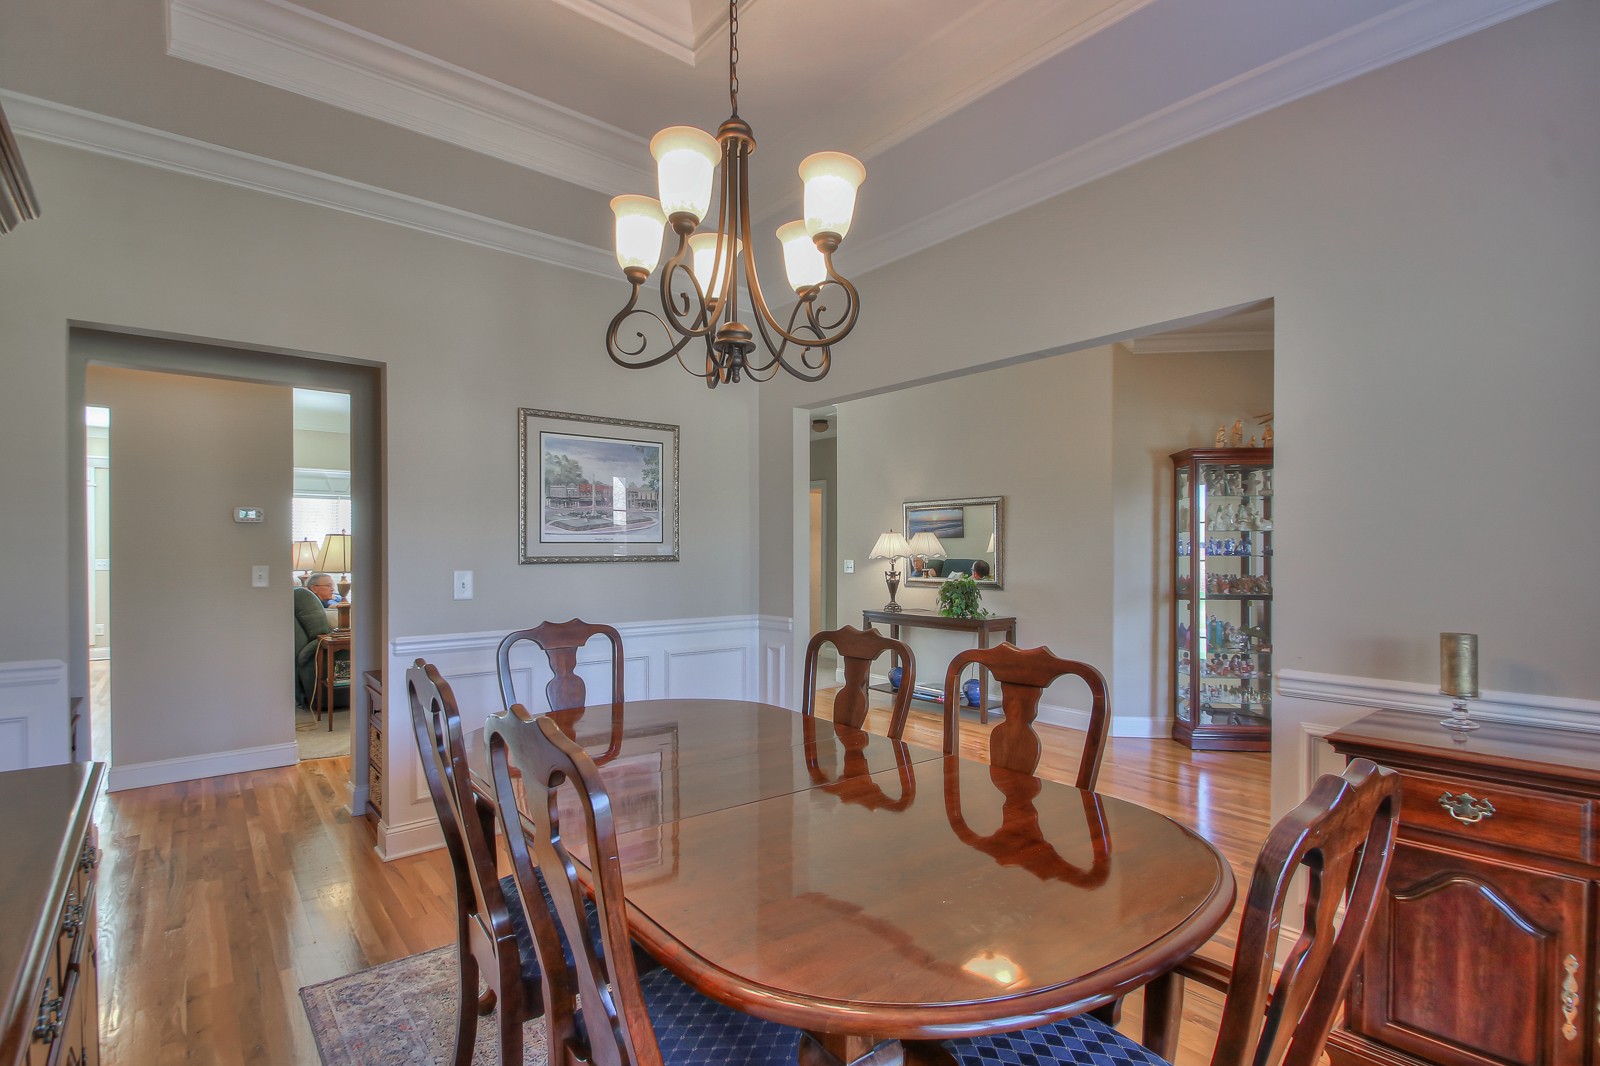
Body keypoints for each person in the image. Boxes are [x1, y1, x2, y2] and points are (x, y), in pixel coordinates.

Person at [294, 573, 335, 708]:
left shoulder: (332, 601)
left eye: (333, 585)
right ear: (314, 588)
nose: (332, 589)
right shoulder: (319, 608)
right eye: (328, 585)